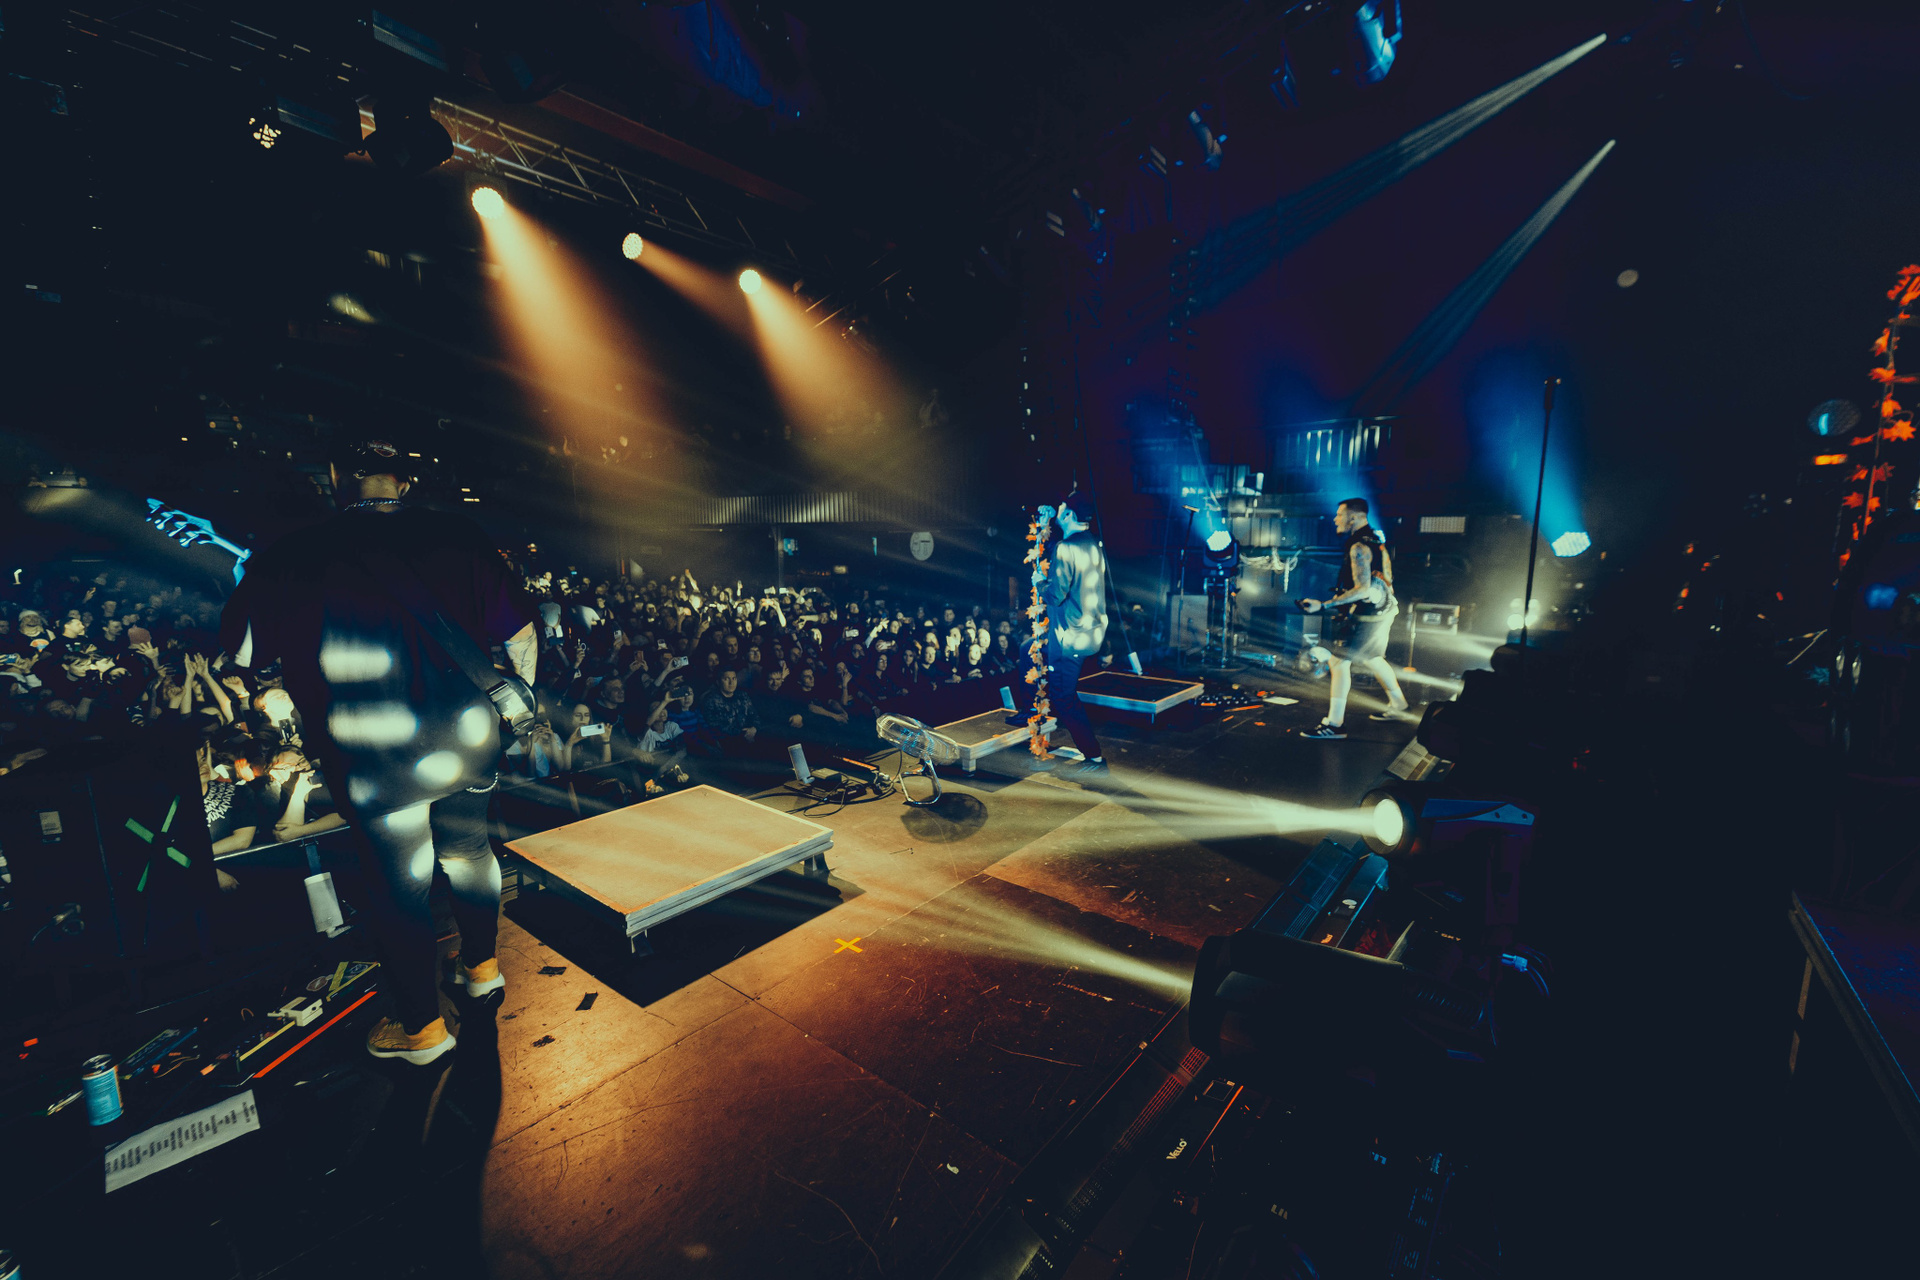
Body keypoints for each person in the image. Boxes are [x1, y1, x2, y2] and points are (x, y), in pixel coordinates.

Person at [220, 433, 537, 1066]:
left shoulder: (293, 552)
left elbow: (242, 655)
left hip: (374, 753)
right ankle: (482, 971)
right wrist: (517, 713)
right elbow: (523, 634)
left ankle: (422, 1032)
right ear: (405, 483)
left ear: (338, 477)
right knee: (470, 850)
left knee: (402, 886)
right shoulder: (458, 534)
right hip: (469, 738)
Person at [1298, 497, 1412, 740]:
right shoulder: (1376, 540)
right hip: (1384, 610)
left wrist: (1323, 605)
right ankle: (1400, 705)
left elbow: (1362, 589)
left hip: (1369, 615)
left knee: (1338, 662)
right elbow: (1384, 579)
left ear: (1354, 516)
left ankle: (1335, 725)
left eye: (1340, 514)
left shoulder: (1359, 546)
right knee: (1373, 658)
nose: (1335, 519)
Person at [1030, 491, 1111, 777]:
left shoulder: (1065, 548)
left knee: (1063, 697)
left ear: (1069, 515)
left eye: (1062, 507)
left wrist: (1040, 582)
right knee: (1026, 649)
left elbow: (1056, 594)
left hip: (1070, 638)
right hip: (1090, 633)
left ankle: (1094, 756)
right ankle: (1027, 714)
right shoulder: (1093, 544)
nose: (1059, 508)